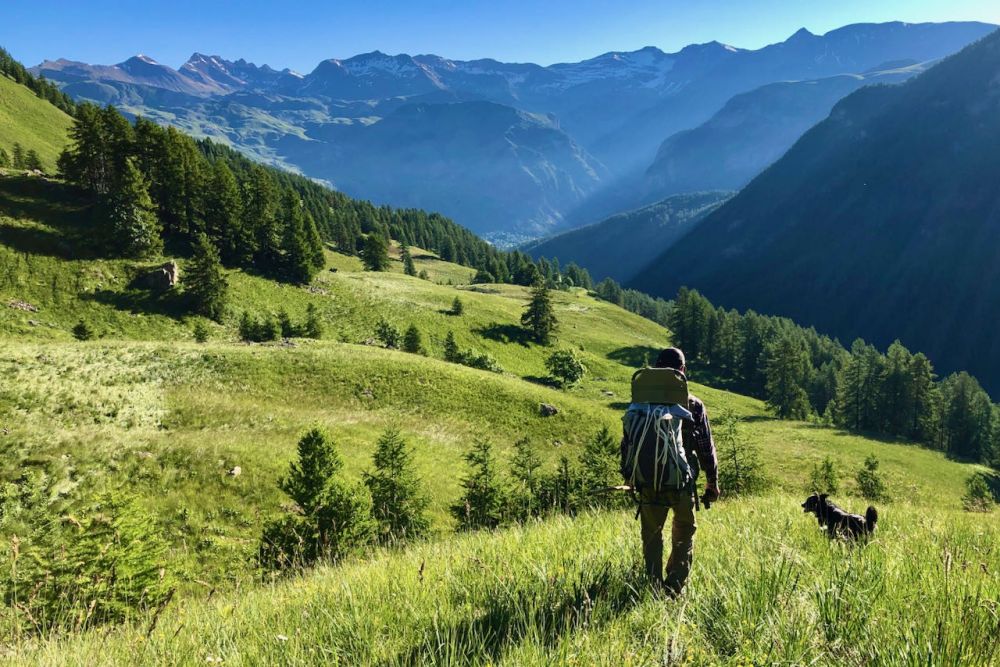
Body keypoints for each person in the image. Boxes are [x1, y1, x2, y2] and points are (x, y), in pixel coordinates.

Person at [634, 347, 720, 595]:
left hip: (650, 482)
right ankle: (673, 588)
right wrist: (712, 481)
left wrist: (632, 475)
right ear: (682, 371)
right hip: (683, 483)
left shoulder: (641, 402)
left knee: (651, 535)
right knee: (683, 533)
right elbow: (705, 446)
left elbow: (629, 441)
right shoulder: (692, 404)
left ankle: (652, 586)